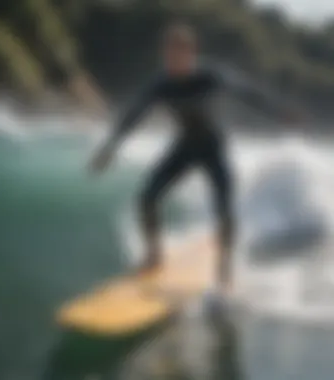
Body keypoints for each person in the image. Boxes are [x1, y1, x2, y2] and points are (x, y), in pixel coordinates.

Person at [90, 22, 299, 297]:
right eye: (169, 54)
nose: (174, 60)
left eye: (180, 54)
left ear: (192, 53)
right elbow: (135, 114)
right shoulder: (162, 83)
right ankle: (154, 254)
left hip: (212, 148)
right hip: (185, 147)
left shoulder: (209, 76)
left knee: (223, 208)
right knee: (147, 198)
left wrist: (278, 111)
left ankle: (224, 268)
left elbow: (246, 92)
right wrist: (111, 146)